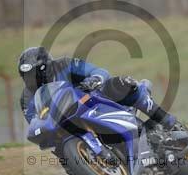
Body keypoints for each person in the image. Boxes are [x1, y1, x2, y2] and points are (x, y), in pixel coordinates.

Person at [18, 46, 176, 129]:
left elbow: (97, 71)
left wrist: (94, 79)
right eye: (26, 76)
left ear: (45, 68)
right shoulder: (26, 98)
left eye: (33, 74)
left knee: (123, 83)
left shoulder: (64, 65)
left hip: (93, 100)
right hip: (67, 124)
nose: (30, 80)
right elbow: (34, 123)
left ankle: (169, 122)